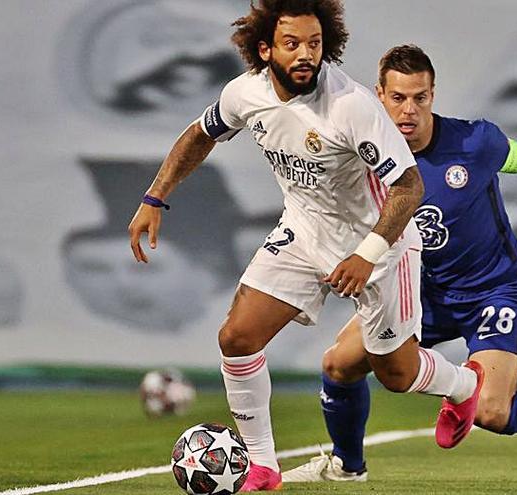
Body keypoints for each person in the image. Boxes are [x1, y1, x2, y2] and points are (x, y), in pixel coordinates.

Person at [126, 2, 483, 491]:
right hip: (305, 231)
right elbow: (199, 135)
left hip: (383, 245)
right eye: (292, 44)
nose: (305, 55)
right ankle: (262, 467)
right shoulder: (245, 94)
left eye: (314, 44)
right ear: (264, 48)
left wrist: (367, 254)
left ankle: (464, 385)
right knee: (237, 338)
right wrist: (155, 196)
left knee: (397, 374)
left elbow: (408, 189)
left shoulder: (350, 105)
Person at [282, 44, 517, 488]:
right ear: (378, 95)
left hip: (495, 291)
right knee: (338, 365)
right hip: (420, 295)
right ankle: (348, 466)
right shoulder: (360, 156)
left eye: (419, 98)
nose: (409, 111)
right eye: (398, 98)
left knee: (491, 411)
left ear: (433, 95)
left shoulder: (474, 143)